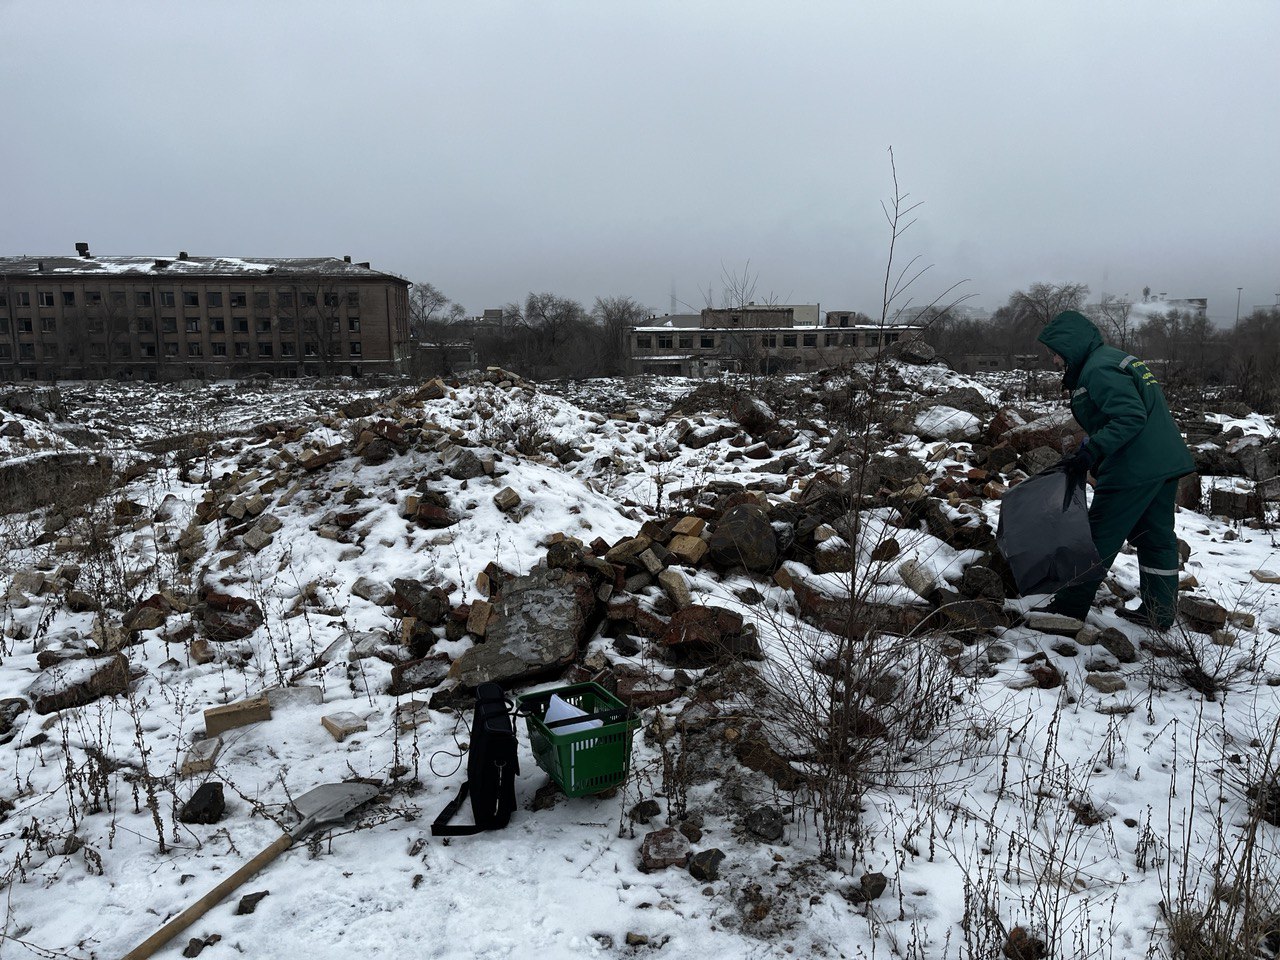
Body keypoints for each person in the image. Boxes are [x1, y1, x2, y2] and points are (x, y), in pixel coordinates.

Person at [1036, 309, 1194, 631]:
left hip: (1135, 466)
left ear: (1071, 346)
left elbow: (1130, 417)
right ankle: (1158, 612)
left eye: (1055, 354)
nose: (1053, 361)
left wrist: (1093, 451)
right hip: (1163, 462)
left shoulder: (1098, 369)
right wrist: (1087, 452)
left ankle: (1068, 608)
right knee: (1156, 538)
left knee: (1098, 535)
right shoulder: (1112, 359)